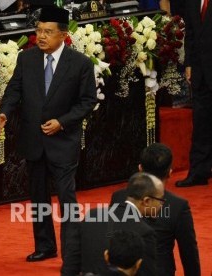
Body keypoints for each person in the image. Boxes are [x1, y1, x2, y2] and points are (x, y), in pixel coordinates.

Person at [0, 6, 97, 262]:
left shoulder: (80, 63)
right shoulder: (26, 59)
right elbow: (14, 90)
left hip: (63, 141)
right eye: (39, 30)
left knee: (67, 198)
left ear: (63, 35)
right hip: (34, 140)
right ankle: (45, 246)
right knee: (38, 197)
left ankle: (72, 249)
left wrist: (61, 122)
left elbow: (87, 101)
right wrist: (5, 112)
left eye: (48, 32)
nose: (41, 36)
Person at [111, 143, 201, 275]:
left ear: (140, 168)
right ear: (170, 173)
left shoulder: (118, 197)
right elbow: (189, 254)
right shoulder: (178, 206)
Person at [62, 172, 163, 275]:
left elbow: (70, 267)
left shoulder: (92, 215)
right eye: (161, 201)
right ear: (146, 201)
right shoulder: (145, 232)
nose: (161, 205)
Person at [175, 0, 212, 187]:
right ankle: (199, 172)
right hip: (200, 72)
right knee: (200, 124)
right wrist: (189, 63)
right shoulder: (190, 2)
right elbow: (190, 34)